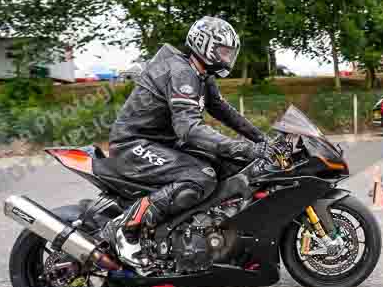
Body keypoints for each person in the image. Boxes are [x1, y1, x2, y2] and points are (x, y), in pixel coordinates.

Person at [99, 16, 277, 267]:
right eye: (223, 51)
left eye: (229, 52)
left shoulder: (201, 74)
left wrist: (264, 140)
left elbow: (224, 111)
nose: (228, 57)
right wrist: (245, 148)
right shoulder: (182, 72)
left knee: (226, 163)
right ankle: (126, 227)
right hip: (133, 144)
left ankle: (208, 232)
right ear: (204, 46)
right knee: (200, 176)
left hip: (161, 142)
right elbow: (189, 129)